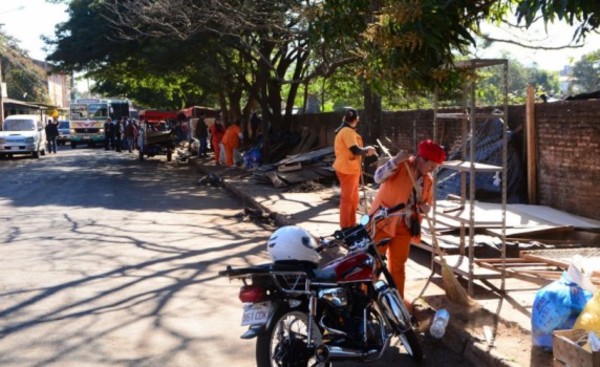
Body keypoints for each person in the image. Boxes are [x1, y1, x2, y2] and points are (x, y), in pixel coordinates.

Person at [369, 139, 446, 301]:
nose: (431, 170)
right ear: (421, 159)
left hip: (405, 226)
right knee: (373, 264)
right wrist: (395, 160)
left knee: (398, 267)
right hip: (382, 222)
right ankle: (365, 301)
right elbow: (377, 178)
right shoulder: (401, 166)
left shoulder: (427, 180)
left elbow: (427, 203)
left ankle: (398, 305)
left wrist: (425, 208)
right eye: (431, 166)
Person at [332, 108, 376, 229]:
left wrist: (366, 149)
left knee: (353, 198)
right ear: (357, 119)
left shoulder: (346, 131)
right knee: (348, 199)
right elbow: (355, 150)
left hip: (350, 168)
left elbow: (354, 148)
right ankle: (346, 226)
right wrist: (367, 151)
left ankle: (350, 223)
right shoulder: (347, 131)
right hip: (347, 169)